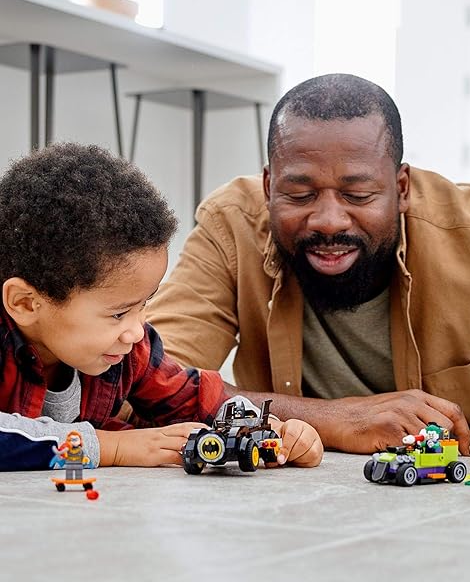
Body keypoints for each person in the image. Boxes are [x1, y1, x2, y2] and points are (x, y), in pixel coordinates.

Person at [146, 73, 470, 479]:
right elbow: (145, 379)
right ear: (269, 187)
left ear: (401, 188)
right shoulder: (232, 226)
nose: (328, 221)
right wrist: (336, 419)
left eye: (358, 195)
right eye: (299, 195)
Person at [0, 143, 323, 471]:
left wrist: (266, 430)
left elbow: (194, 397)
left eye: (144, 304)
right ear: (25, 303)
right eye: (118, 313)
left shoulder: (129, 350)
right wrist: (112, 447)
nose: (136, 330)